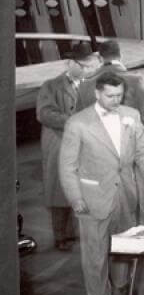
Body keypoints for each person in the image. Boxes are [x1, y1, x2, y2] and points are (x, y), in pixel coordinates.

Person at [58, 71, 144, 295]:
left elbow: (143, 152)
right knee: (95, 258)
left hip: (126, 194)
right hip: (92, 200)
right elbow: (67, 166)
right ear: (97, 93)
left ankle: (121, 282)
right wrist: (76, 198)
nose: (116, 100)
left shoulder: (131, 116)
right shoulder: (78, 123)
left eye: (119, 95)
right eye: (111, 96)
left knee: (124, 246)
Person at [77, 39, 144, 223]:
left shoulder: (85, 85)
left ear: (100, 57)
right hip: (132, 146)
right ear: (120, 55)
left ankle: (115, 243)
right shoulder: (134, 80)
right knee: (143, 196)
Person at [36, 43, 100, 250]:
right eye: (82, 66)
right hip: (59, 143)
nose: (85, 70)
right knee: (59, 189)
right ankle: (61, 236)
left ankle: (75, 233)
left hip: (83, 144)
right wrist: (73, 121)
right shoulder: (51, 86)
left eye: (88, 66)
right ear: (70, 63)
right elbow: (44, 113)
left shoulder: (89, 85)